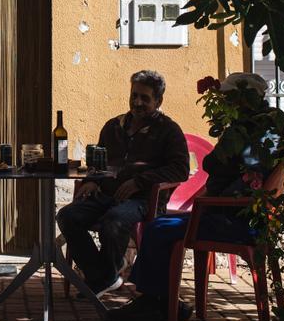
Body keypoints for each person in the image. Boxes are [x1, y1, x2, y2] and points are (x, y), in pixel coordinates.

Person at [107, 72, 284, 321]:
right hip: (255, 218)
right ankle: (165, 302)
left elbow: (218, 166)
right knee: (164, 226)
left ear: (242, 98)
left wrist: (206, 202)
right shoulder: (277, 121)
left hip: (233, 219)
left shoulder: (245, 129)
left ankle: (152, 302)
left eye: (228, 96)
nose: (224, 100)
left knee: (158, 228)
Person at [56, 70, 190, 296]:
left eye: (145, 98)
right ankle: (104, 276)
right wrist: (91, 180)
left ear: (158, 101)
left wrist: (140, 182)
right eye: (134, 95)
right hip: (106, 194)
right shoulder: (113, 127)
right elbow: (97, 161)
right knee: (67, 216)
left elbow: (180, 169)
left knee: (114, 220)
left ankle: (102, 277)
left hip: (143, 199)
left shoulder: (169, 130)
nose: (137, 102)